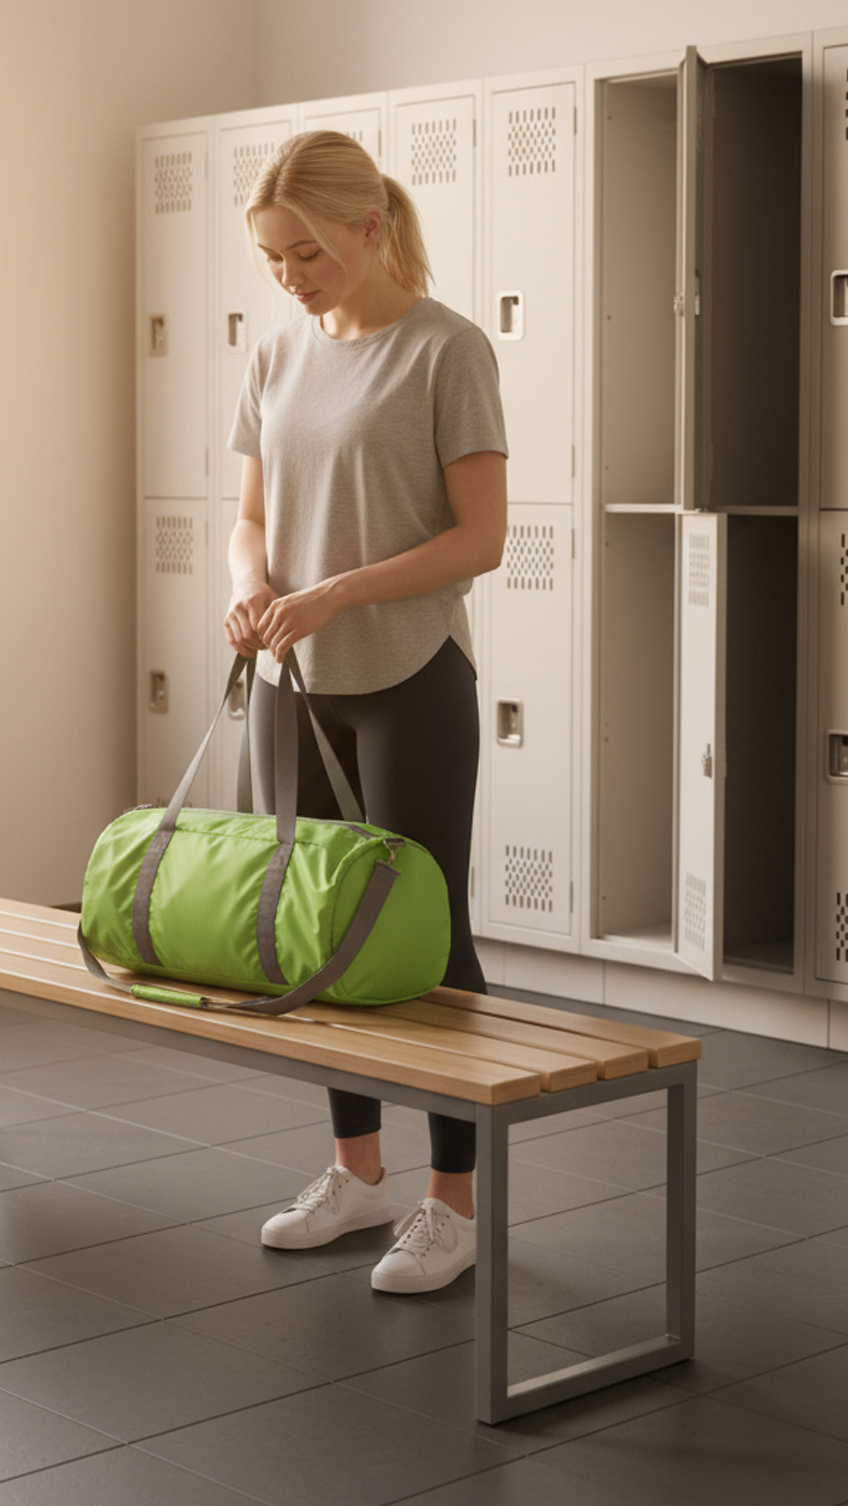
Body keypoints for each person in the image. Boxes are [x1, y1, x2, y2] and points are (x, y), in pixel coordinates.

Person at [224, 130, 508, 1293]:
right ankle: (357, 1173)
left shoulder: (447, 349)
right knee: (313, 930)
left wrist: (338, 588)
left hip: (408, 677)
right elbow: (250, 514)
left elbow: (479, 539)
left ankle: (453, 1203)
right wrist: (253, 586)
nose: (289, 276)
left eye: (305, 252)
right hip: (296, 684)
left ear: (368, 229)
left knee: (426, 937)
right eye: (273, 258)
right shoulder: (277, 354)